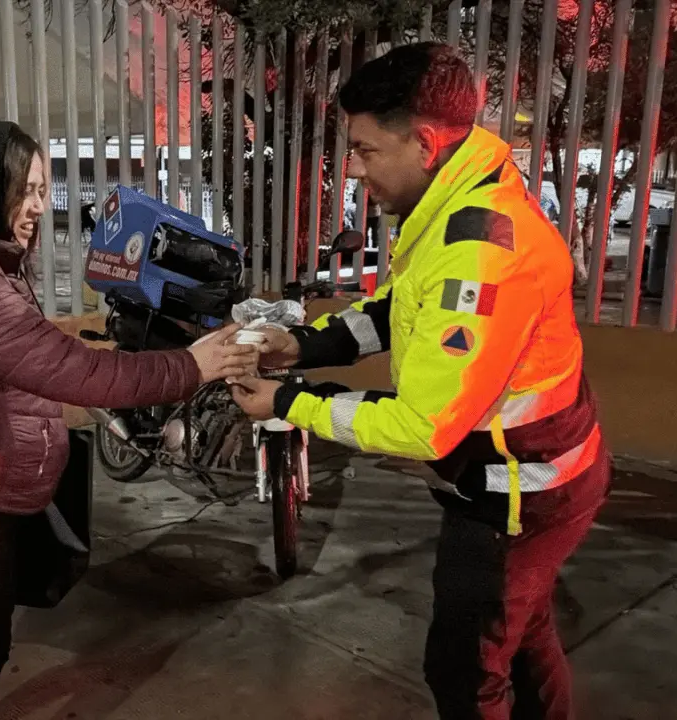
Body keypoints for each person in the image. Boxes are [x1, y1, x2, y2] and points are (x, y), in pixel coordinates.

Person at [228, 43, 610, 720]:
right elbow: (402, 310)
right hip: (536, 477)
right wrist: (305, 346)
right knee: (526, 637)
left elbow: (423, 427)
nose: (353, 169)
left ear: (426, 142)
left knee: (465, 672)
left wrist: (290, 403)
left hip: (515, 498)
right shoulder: (455, 207)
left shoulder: (479, 253)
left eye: (367, 150)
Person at [0, 121, 257, 720]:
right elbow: (72, 373)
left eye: (43, 189)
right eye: (27, 189)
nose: (39, 206)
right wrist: (189, 367)